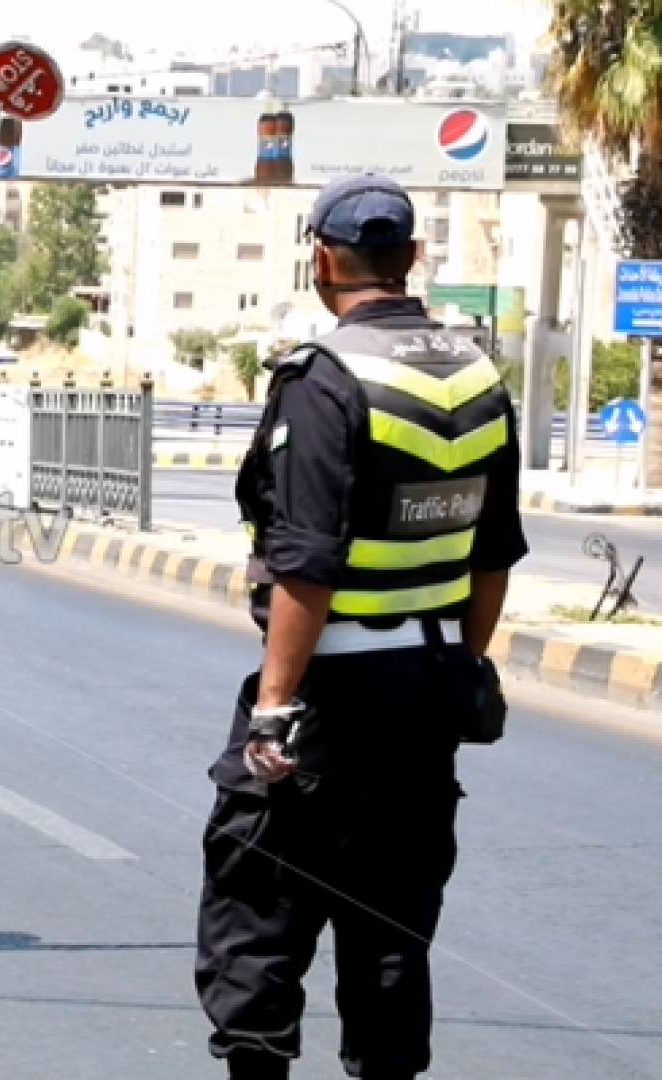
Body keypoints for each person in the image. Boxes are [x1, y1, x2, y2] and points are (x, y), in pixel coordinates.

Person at [195, 174, 527, 1080]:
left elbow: (305, 562)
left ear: (322, 262)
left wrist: (273, 708)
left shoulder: (326, 378)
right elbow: (494, 553)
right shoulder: (480, 376)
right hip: (427, 691)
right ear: (412, 259)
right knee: (389, 929)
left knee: (257, 915)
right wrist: (465, 663)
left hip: (326, 698)